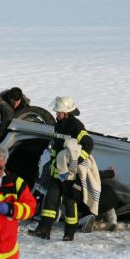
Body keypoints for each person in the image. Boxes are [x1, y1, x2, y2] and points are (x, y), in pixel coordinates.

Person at [29, 96, 94, 241]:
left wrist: (77, 161)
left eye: (58, 112)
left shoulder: (76, 125)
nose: (56, 114)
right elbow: (56, 147)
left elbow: (88, 143)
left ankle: (69, 233)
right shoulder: (59, 124)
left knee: (69, 202)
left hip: (69, 173)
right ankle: (43, 230)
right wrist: (53, 163)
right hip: (57, 171)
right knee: (50, 201)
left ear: (66, 112)